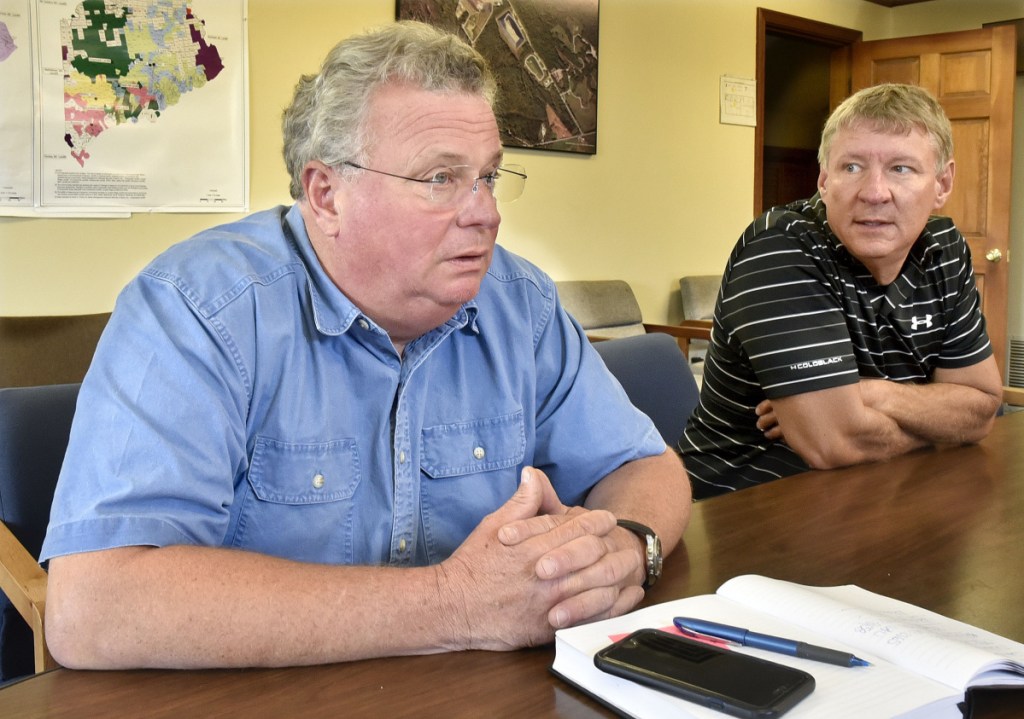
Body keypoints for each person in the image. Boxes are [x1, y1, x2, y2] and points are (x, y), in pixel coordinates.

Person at [41, 21, 691, 669]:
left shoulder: (520, 303)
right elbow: (95, 607)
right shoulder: (196, 309)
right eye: (441, 178)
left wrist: (628, 549)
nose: (486, 213)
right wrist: (456, 602)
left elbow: (645, 466)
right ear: (327, 194)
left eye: (489, 177)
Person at [679, 83, 1002, 500]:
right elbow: (836, 443)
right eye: (852, 167)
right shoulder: (779, 249)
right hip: (744, 506)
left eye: (901, 169)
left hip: (880, 495)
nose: (873, 192)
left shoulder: (945, 248)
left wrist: (874, 393)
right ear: (824, 179)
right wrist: (938, 425)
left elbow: (980, 409)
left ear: (942, 183)